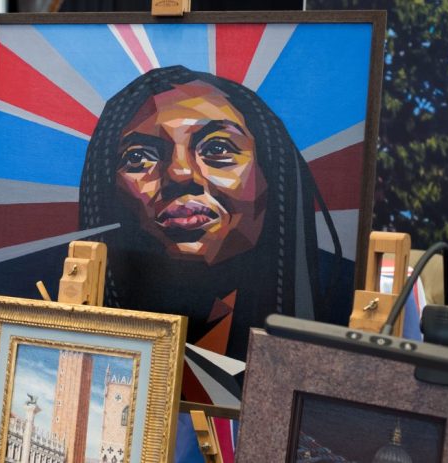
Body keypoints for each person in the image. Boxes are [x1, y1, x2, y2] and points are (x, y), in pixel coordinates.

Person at [79, 65, 343, 364]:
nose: (180, 173)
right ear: (108, 187)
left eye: (218, 147)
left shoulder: (346, 302)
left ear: (270, 172)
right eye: (139, 156)